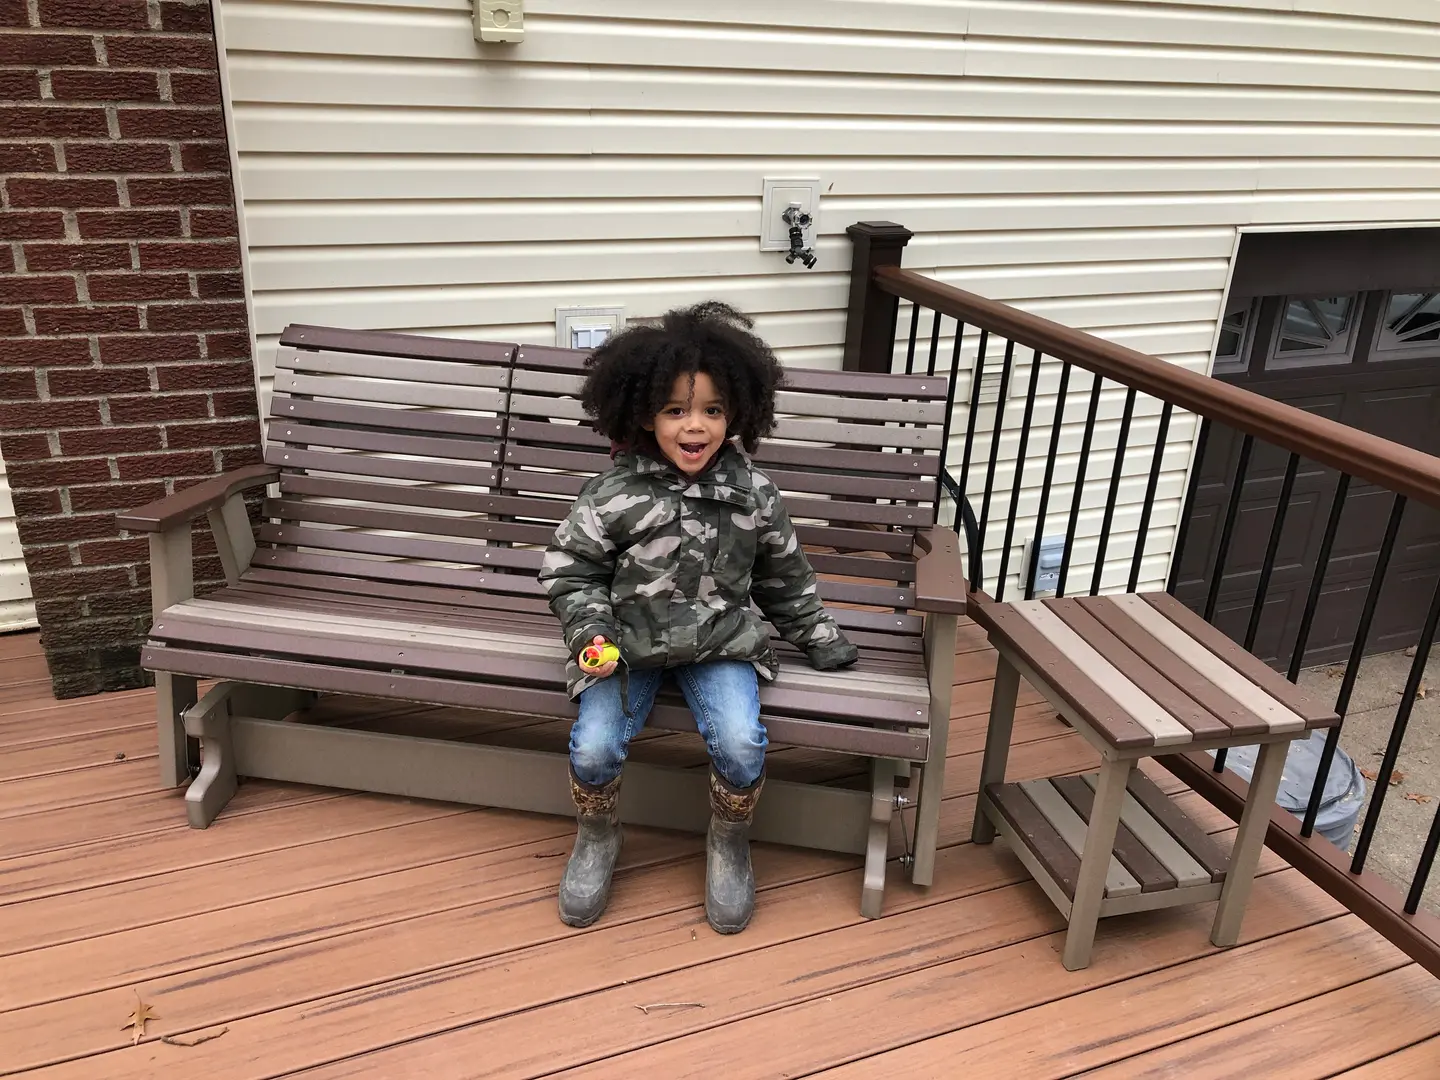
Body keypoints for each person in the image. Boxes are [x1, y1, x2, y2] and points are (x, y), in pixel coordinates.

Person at [539, 301, 859, 934]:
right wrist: (590, 633)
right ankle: (597, 834)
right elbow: (572, 570)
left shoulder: (754, 495)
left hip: (720, 643)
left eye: (713, 410)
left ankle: (729, 842)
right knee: (595, 746)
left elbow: (784, 577)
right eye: (676, 410)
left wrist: (817, 635)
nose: (696, 427)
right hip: (625, 647)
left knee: (741, 743)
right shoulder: (614, 494)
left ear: (737, 412)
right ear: (643, 414)